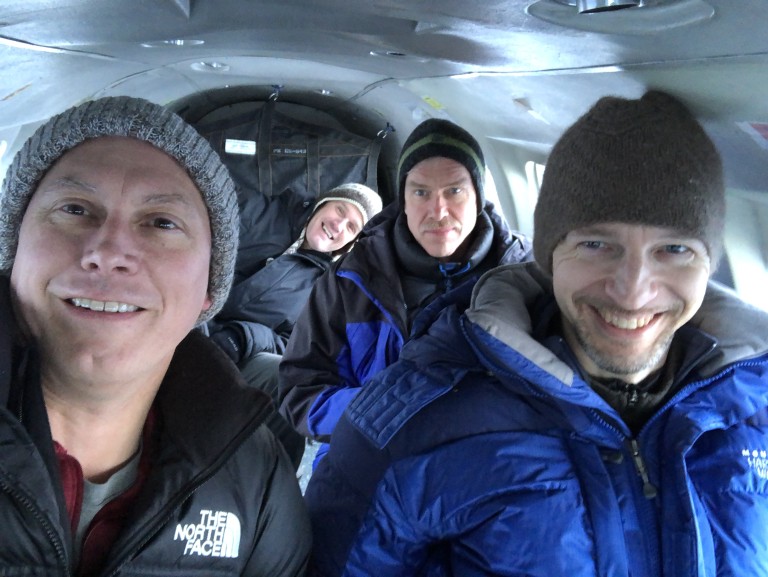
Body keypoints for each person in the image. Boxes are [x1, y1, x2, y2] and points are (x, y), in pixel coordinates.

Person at [304, 90, 768, 576]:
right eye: (596, 244)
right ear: (550, 256)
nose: (632, 292)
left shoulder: (752, 405)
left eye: (674, 249)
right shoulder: (409, 419)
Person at [0, 96, 310, 575]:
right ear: (13, 250)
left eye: (162, 222)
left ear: (209, 289)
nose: (108, 252)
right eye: (76, 209)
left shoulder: (258, 479)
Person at [278, 118, 531, 463]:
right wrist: (390, 410)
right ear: (404, 201)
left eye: (454, 191)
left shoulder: (525, 275)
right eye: (421, 192)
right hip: (364, 461)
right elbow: (300, 394)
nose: (438, 211)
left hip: (488, 464)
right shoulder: (350, 279)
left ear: (479, 196)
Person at [207, 183, 382, 469]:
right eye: (340, 210)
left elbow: (294, 346)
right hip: (187, 313)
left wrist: (243, 336)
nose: (338, 226)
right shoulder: (264, 213)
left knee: (290, 384)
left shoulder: (329, 290)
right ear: (323, 202)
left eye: (351, 227)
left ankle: (270, 487)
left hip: (238, 354)